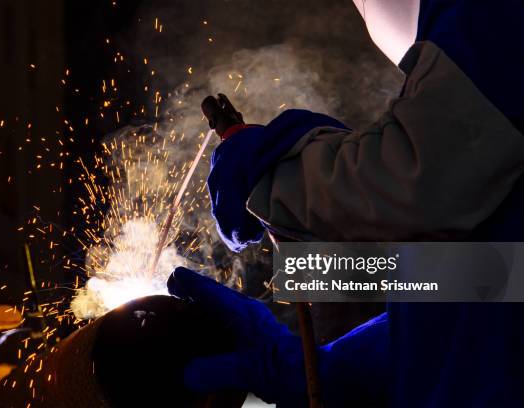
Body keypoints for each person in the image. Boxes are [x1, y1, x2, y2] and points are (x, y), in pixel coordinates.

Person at [169, 1, 524, 406]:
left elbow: (424, 180)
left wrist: (281, 168)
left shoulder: (494, 16)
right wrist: (347, 364)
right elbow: (489, 274)